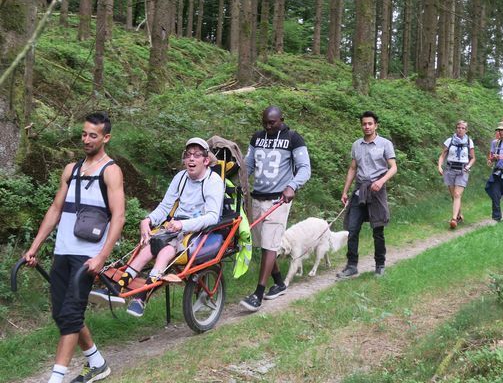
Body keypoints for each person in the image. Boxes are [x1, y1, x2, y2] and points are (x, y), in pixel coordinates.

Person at [24, 112, 125, 383]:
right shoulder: (72, 169)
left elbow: (119, 216)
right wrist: (34, 247)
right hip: (62, 250)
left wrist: (102, 256)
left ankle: (55, 379)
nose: (87, 139)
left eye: (93, 135)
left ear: (106, 138)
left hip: (87, 256)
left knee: (71, 313)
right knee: (61, 312)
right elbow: (56, 209)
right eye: (84, 134)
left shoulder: (111, 171)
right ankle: (97, 362)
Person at [91, 137, 225, 317]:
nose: (191, 159)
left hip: (198, 229)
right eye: (188, 155)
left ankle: (141, 297)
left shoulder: (213, 181)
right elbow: (165, 206)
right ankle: (116, 287)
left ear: (206, 160)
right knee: (147, 247)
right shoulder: (180, 177)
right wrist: (148, 220)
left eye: (197, 155)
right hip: (174, 226)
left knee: (165, 251)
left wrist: (181, 224)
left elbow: (212, 216)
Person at [240, 106, 311, 311]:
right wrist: (235, 177)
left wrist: (292, 186)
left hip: (279, 200)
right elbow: (248, 165)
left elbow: (305, 168)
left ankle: (258, 294)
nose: (268, 126)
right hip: (257, 198)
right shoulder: (257, 137)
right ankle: (279, 283)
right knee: (264, 244)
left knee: (270, 245)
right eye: (265, 122)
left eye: (272, 122)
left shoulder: (293, 139)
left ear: (282, 119)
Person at [338, 111, 397, 278]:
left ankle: (380, 265)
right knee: (352, 227)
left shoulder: (385, 144)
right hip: (359, 190)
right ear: (361, 125)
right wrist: (345, 191)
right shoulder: (356, 145)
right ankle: (351, 265)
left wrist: (381, 181)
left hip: (377, 190)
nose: (367, 127)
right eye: (364, 124)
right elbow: (352, 168)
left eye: (370, 124)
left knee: (377, 229)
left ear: (376, 125)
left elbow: (393, 167)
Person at [437, 120, 476, 229]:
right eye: (458, 127)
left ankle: (453, 219)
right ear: (456, 128)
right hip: (450, 169)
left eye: (463, 128)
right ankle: (459, 214)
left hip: (463, 170)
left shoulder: (469, 142)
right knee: (453, 195)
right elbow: (442, 155)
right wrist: (439, 166)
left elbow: (473, 158)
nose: (460, 129)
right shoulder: (450, 141)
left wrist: (468, 166)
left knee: (457, 194)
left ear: (466, 130)